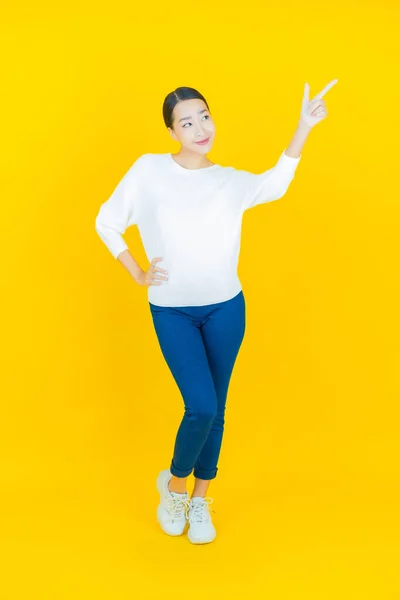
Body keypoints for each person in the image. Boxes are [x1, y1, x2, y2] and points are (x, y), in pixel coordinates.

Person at [95, 82, 337, 544]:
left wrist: (303, 127)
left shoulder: (229, 181)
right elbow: (106, 220)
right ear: (171, 131)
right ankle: (174, 486)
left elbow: (276, 183)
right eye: (186, 122)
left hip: (227, 308)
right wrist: (137, 272)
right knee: (200, 406)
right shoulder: (148, 172)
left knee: (217, 409)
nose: (199, 128)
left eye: (204, 116)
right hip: (173, 312)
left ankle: (201, 499)